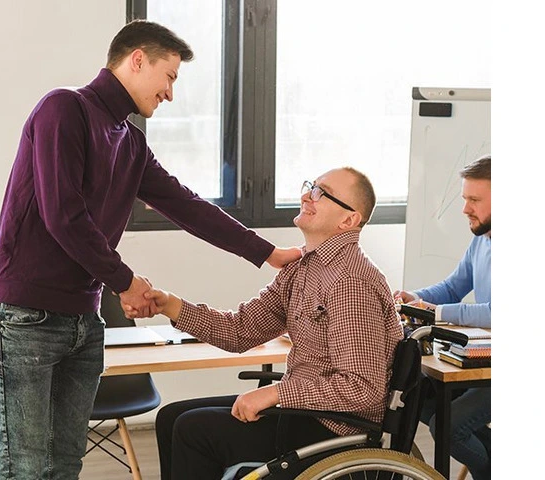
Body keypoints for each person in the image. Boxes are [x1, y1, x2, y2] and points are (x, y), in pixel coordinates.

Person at [0, 20, 301, 480]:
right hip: (25, 318)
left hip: (83, 320)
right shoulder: (63, 109)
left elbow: (186, 205)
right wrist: (126, 282)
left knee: (65, 465)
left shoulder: (130, 141)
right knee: (24, 469)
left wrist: (267, 252)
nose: (170, 93)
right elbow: (64, 216)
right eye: (169, 76)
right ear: (137, 60)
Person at [125, 167, 404, 479]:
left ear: (348, 220)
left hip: (336, 428)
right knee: (171, 417)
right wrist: (169, 304)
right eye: (311, 187)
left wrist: (276, 394)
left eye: (320, 193)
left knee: (193, 430)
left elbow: (362, 388)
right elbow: (240, 331)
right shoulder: (302, 267)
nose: (306, 196)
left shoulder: (350, 282)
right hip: (306, 412)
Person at [393, 154, 491, 480]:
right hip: (485, 360)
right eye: (465, 198)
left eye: (474, 200)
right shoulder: (482, 241)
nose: (465, 209)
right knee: (415, 396)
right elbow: (453, 287)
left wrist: (435, 312)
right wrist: (415, 298)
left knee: (448, 426)